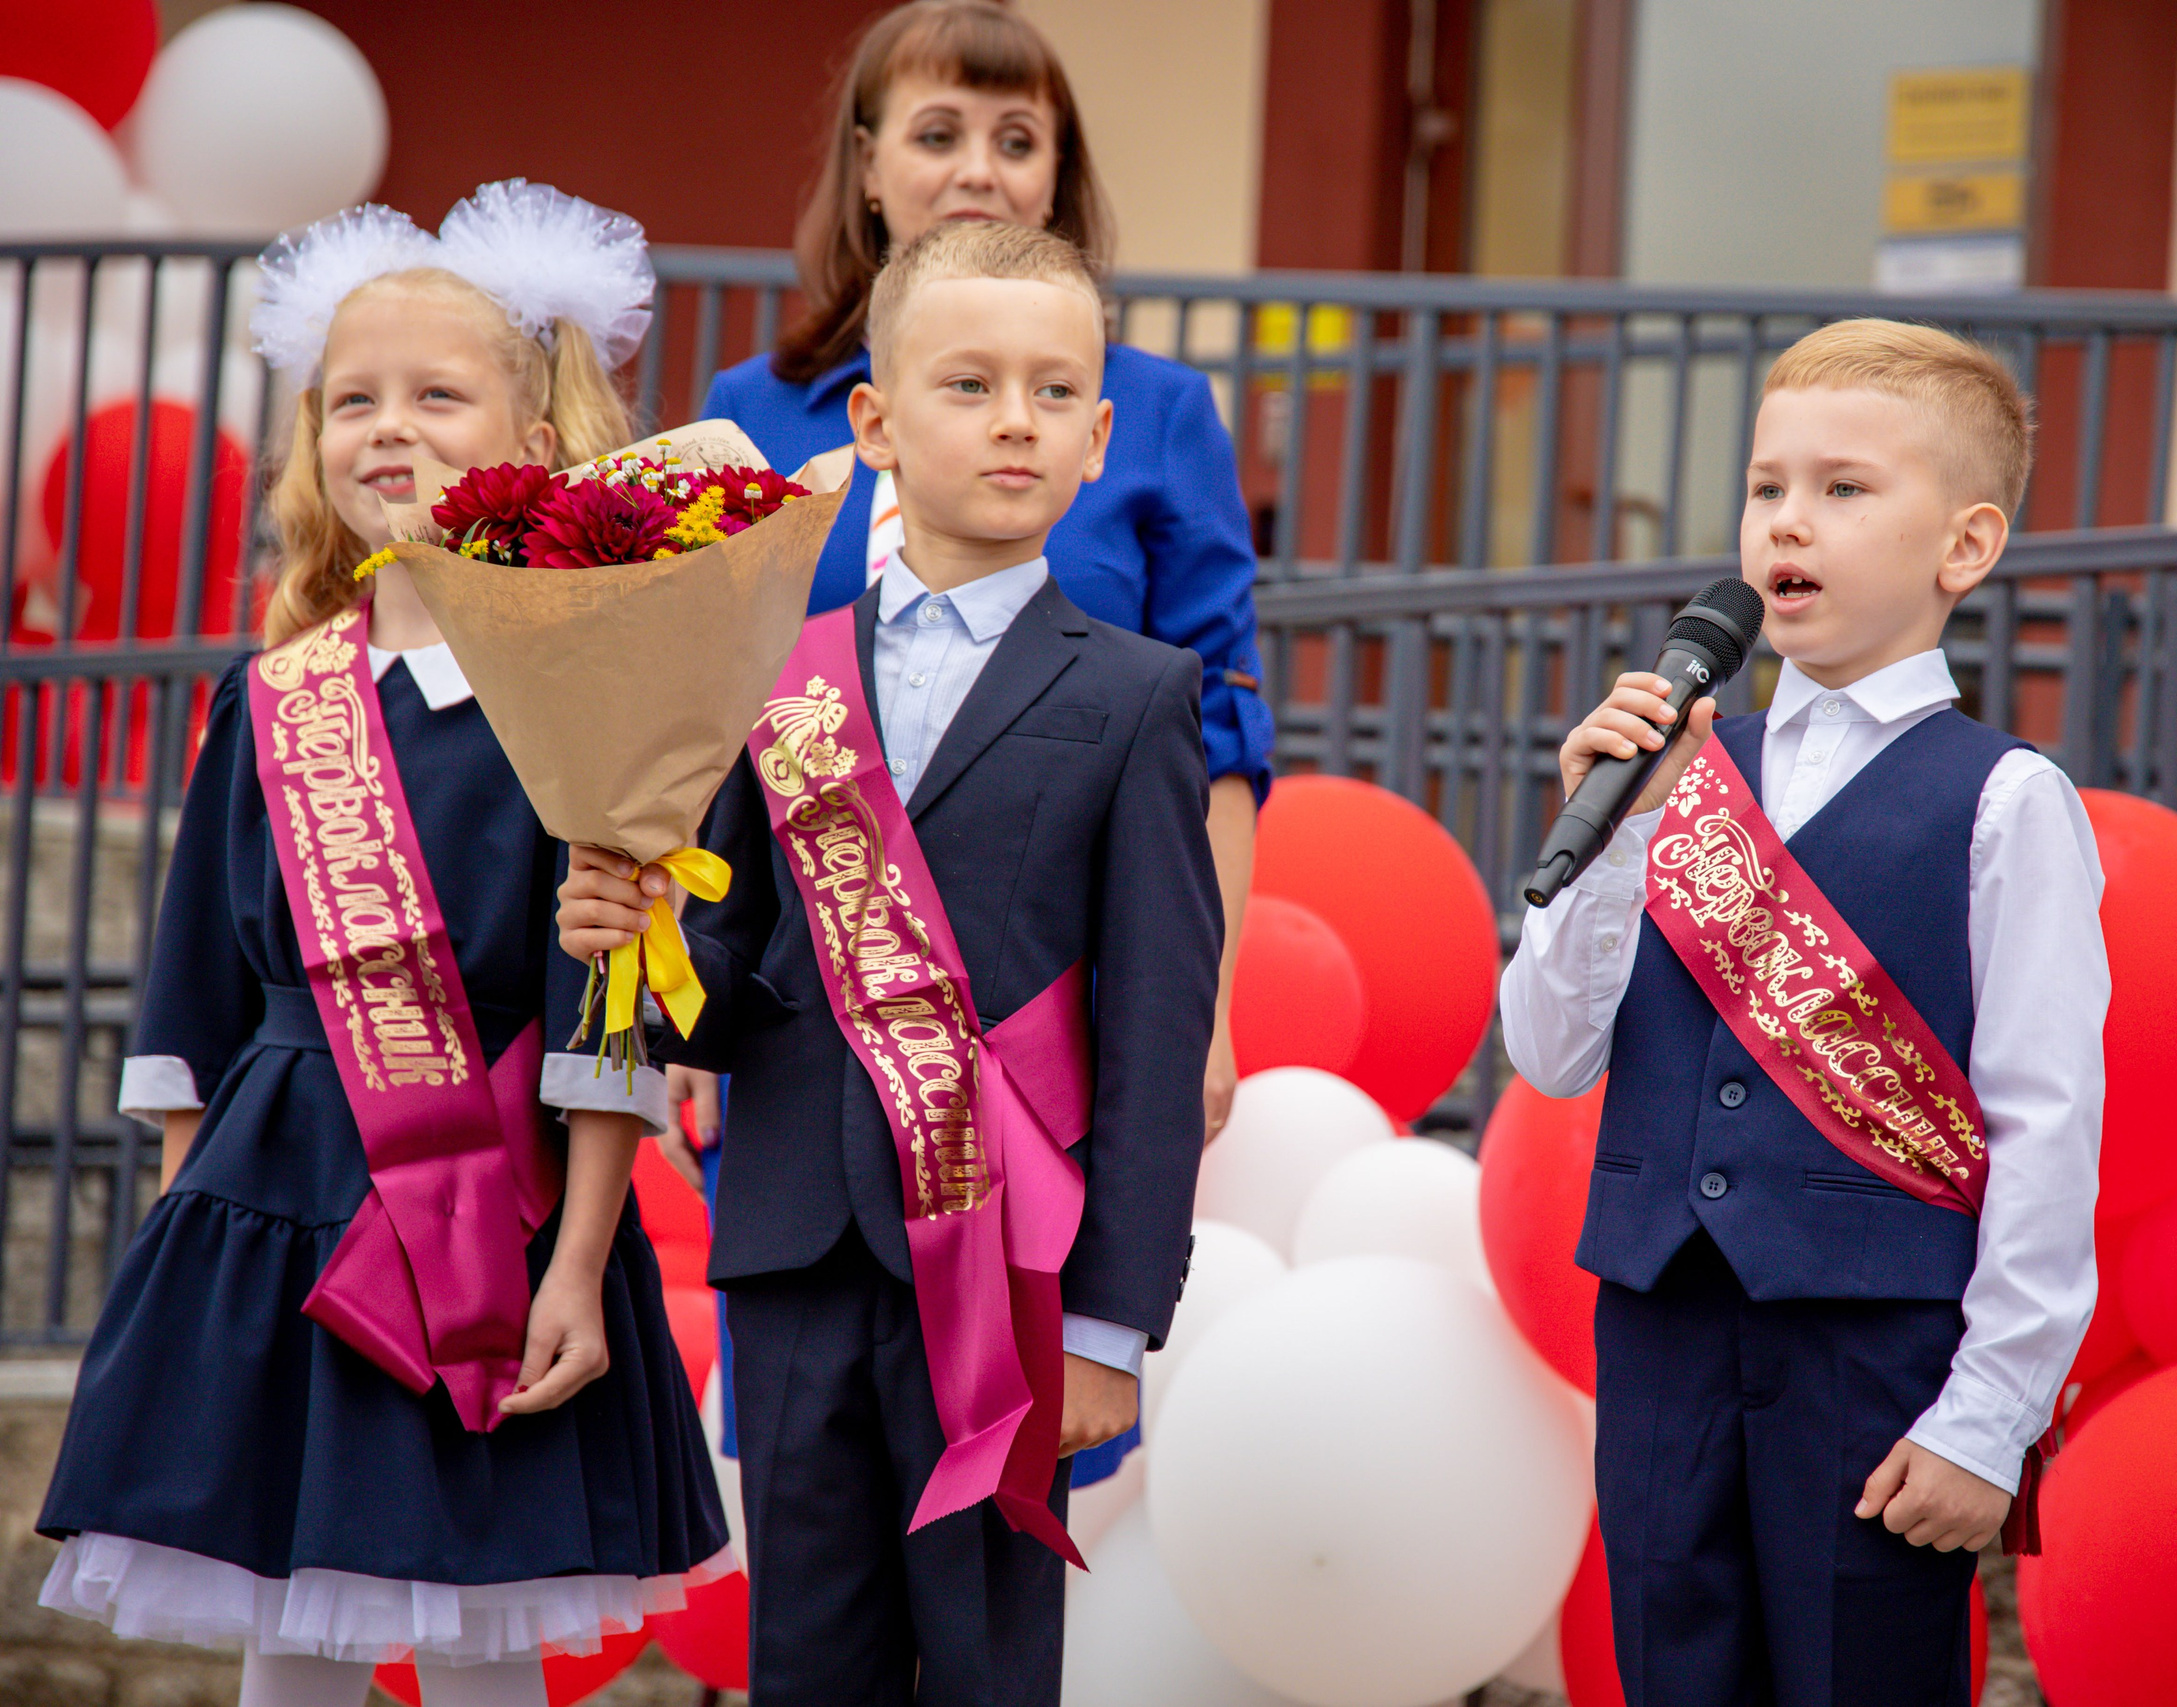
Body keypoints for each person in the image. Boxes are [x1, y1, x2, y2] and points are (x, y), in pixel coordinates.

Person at [33, 185, 729, 1707]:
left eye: (436, 395)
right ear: (313, 442)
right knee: (296, 1611)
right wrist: (185, 1254)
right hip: (281, 1198)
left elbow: (603, 1005)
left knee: (482, 1604)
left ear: (536, 441)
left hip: (500, 1206)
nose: (387, 429)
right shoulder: (275, 692)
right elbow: (194, 990)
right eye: (353, 401)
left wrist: (587, 1252)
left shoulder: (584, 697)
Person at [556, 219, 1222, 1707]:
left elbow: (1159, 1020)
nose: (1014, 421)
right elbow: (724, 985)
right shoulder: (769, 666)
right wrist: (644, 938)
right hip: (791, 1247)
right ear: (871, 422)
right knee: (810, 1651)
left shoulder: (1138, 695)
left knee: (989, 1656)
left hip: (1001, 1260)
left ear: (1103, 433)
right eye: (970, 383)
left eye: (1056, 393)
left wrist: (1112, 1326)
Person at [1502, 319, 2107, 1706]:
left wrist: (1988, 1416)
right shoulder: (1679, 770)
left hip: (1872, 1346)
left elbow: (2046, 1123)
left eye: (1845, 489)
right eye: (1769, 486)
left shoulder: (2006, 800)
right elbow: (1546, 1046)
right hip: (1661, 1327)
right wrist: (1606, 841)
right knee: (1669, 1663)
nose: (1791, 520)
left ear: (1964, 545)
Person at [678, 0, 1266, 1182]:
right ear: (870, 165)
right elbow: (703, 714)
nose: (977, 172)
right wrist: (697, 972)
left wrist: (1202, 1002)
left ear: (1056, 177)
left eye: (1016, 140)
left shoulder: (1150, 413)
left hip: (1053, 1002)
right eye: (939, 133)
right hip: (804, 991)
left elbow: (1219, 740)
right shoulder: (755, 411)